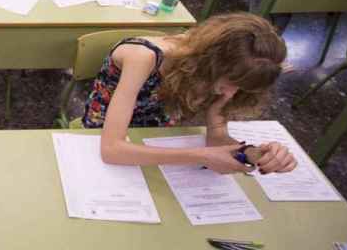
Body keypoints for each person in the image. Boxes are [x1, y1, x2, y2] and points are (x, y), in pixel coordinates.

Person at [86, 12, 297, 176]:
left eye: (240, 87)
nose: (231, 93)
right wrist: (200, 156)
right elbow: (111, 149)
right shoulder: (143, 57)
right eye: (232, 83)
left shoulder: (215, 72)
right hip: (100, 137)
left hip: (157, 140)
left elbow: (216, 138)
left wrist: (255, 154)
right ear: (213, 62)